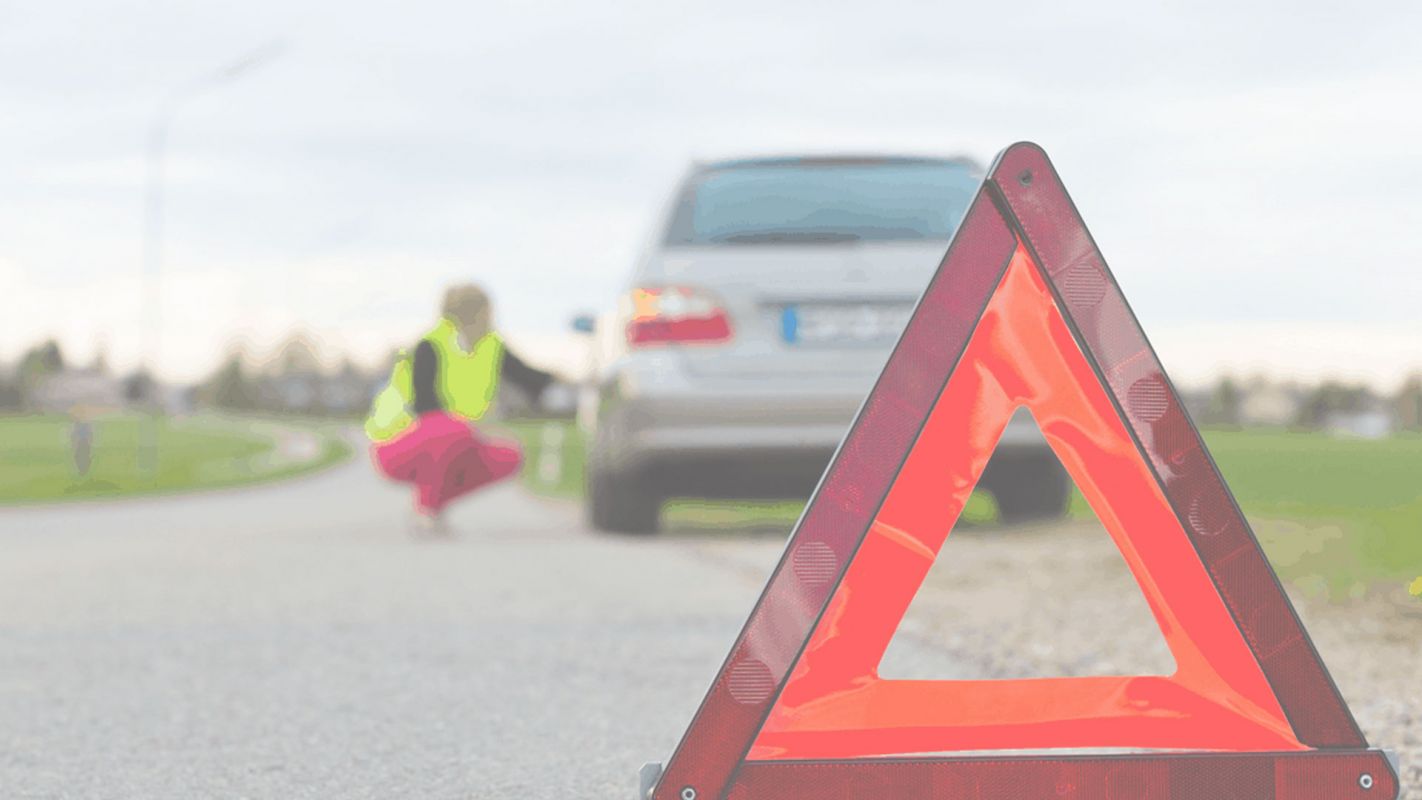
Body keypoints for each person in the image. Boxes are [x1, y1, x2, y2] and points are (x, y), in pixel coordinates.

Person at [365, 284, 553, 530]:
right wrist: (472, 430)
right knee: (452, 431)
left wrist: (565, 386)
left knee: (509, 456)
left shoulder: (491, 345)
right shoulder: (430, 345)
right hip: (397, 442)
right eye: (486, 310)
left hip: (455, 437)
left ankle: (432, 503)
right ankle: (427, 508)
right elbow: (425, 407)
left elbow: (530, 379)